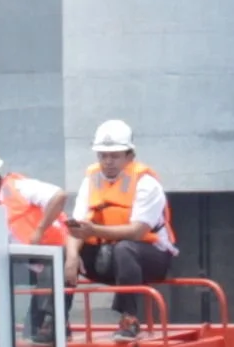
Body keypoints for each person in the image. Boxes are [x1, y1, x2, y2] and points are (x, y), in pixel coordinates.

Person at [74, 119, 177, 293]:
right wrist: (71, 256)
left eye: (114, 156)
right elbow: (76, 226)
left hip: (150, 258)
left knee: (125, 250)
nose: (108, 161)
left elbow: (137, 232)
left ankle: (129, 316)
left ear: (129, 156)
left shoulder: (146, 183)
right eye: (102, 156)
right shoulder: (90, 181)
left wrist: (94, 231)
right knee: (61, 254)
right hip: (106, 255)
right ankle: (50, 317)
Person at [0, 144, 70, 249]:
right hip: (29, 265)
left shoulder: (19, 187)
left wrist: (39, 231)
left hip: (55, 260)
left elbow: (58, 196)